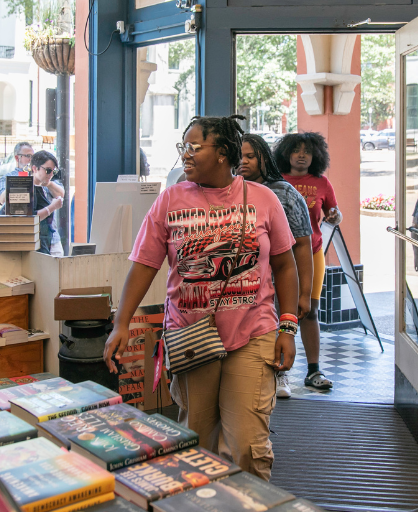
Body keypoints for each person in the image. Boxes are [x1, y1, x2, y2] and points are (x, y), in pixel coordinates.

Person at [102, 115, 299, 480]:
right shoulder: (170, 201)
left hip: (253, 334)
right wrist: (121, 323)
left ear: (223, 152)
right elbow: (144, 265)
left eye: (194, 148)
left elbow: (286, 266)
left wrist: (288, 326)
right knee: (197, 443)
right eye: (183, 148)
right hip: (191, 337)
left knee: (246, 445)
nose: (185, 156)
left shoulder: (264, 199)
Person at [237, 133, 313, 398]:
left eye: (249, 156)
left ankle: (281, 375)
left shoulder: (284, 193)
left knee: (279, 326)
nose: (243, 162)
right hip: (243, 282)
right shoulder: (225, 192)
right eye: (239, 156)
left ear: (263, 158)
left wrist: (305, 293)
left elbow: (303, 244)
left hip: (279, 277)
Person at [274, 132, 341, 391]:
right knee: (281, 312)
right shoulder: (276, 181)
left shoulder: (322, 183)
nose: (301, 155)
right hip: (281, 255)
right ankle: (279, 373)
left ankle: (313, 371)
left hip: (312, 254)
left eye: (307, 151)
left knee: (310, 312)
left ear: (316, 156)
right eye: (296, 150)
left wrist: (336, 216)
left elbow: (333, 213)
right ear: (286, 154)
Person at [26, 150, 64, 255]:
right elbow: (30, 218)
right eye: (48, 170)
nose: (51, 174)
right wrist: (52, 207)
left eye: (53, 171)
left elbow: (61, 192)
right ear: (34, 168)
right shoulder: (27, 189)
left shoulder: (44, 187)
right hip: (34, 245)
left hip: (45, 241)